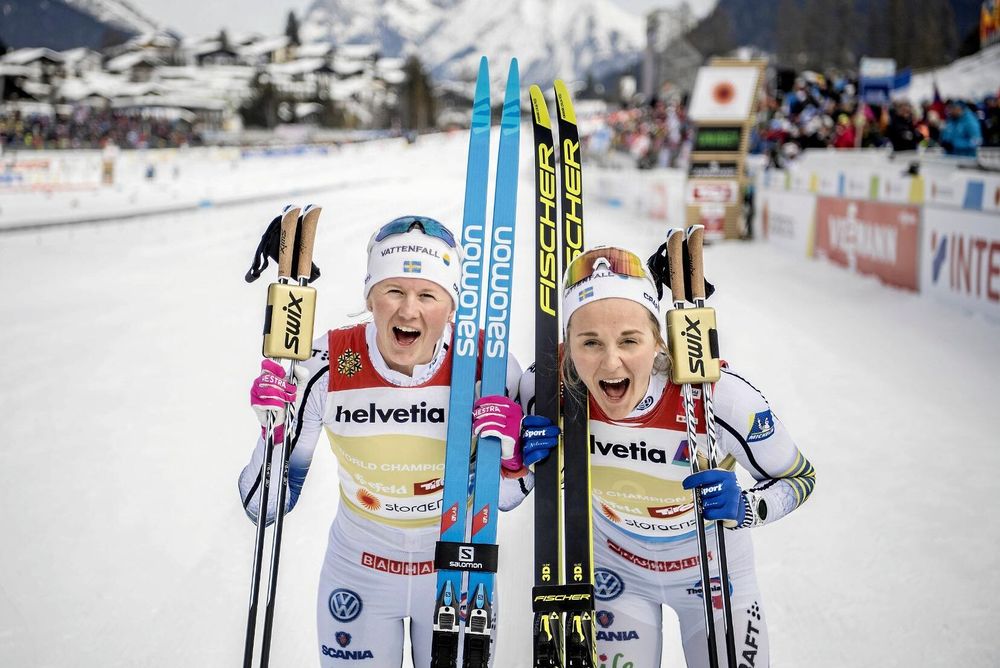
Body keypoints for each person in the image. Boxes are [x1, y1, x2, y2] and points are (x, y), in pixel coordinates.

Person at [239, 215, 555, 667]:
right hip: (358, 570)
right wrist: (273, 435)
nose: (408, 311)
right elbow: (263, 507)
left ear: (452, 306)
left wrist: (513, 463)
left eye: (428, 294)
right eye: (393, 291)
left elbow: (503, 501)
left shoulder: (489, 366)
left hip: (457, 571)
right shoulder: (324, 366)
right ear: (370, 297)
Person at [522, 245, 816, 667]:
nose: (611, 362)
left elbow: (800, 478)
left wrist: (746, 506)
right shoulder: (549, 392)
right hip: (616, 577)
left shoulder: (717, 395)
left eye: (630, 340)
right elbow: (504, 490)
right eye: (590, 342)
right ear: (567, 345)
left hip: (715, 576)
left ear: (658, 340)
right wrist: (521, 461)